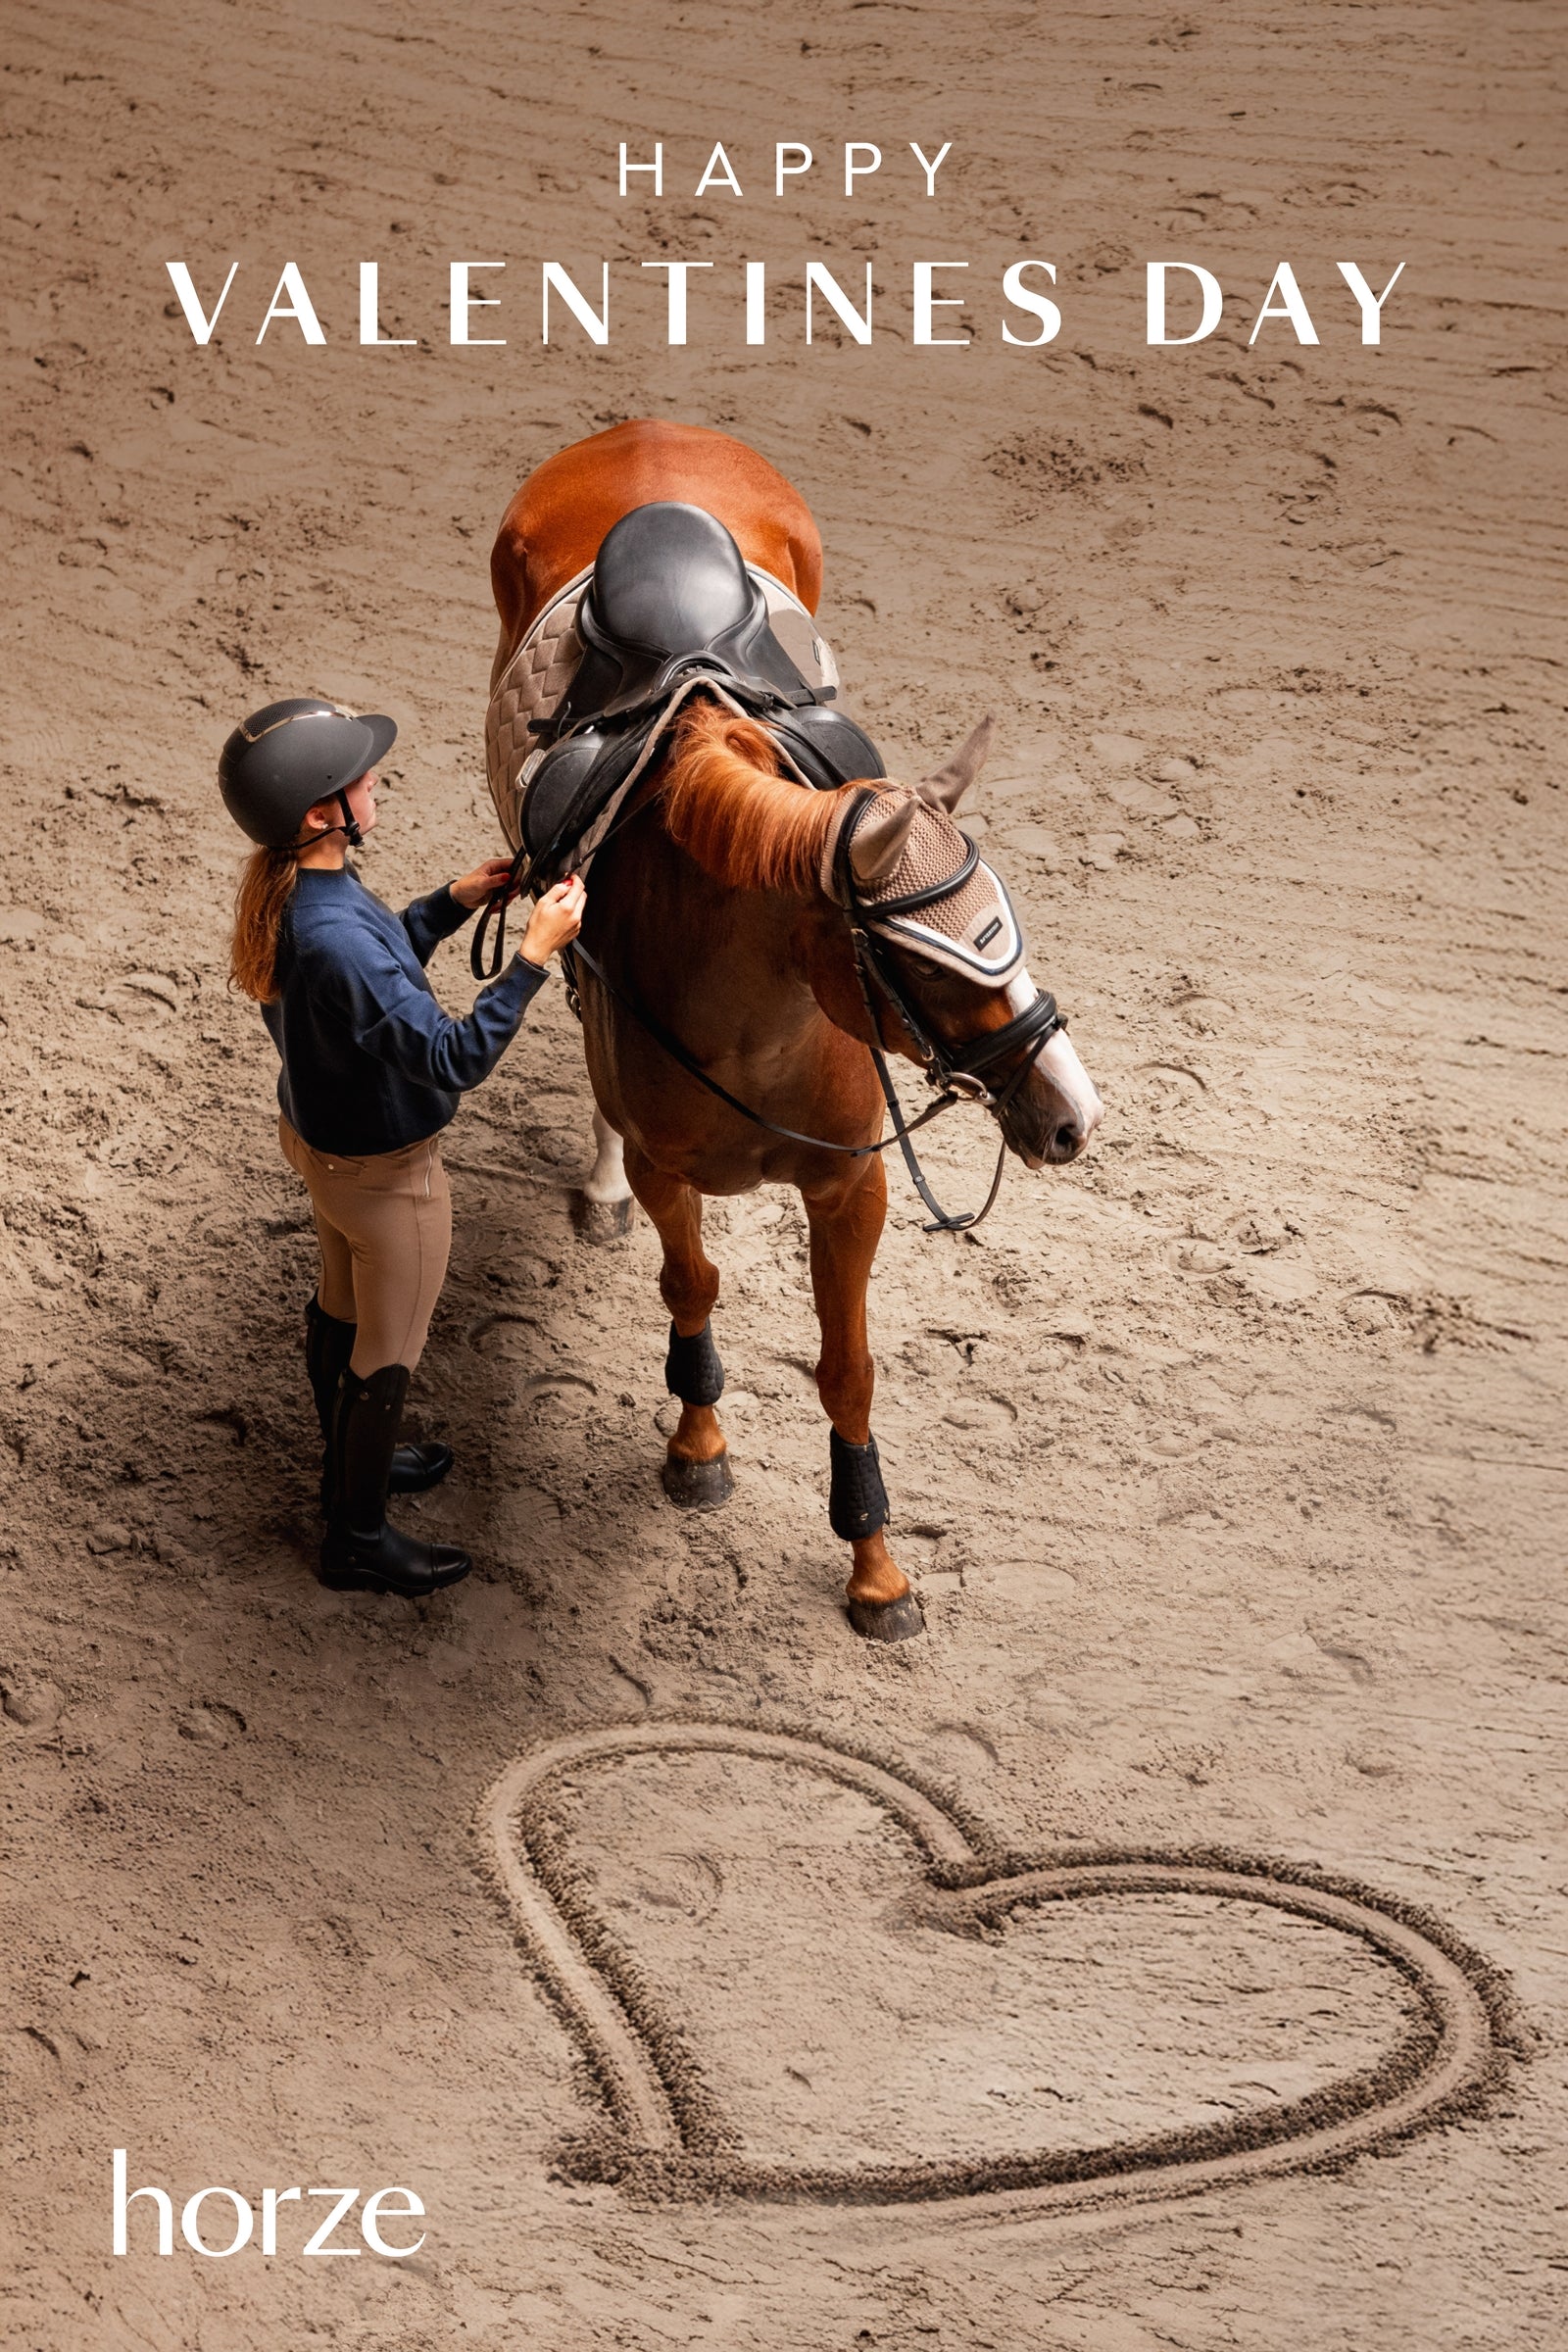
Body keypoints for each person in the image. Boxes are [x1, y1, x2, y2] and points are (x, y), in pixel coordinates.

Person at [220, 696, 584, 1598]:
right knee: (387, 1347)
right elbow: (449, 1056)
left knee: (341, 1309)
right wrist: (532, 958)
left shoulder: (302, 894)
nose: (373, 780)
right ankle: (356, 1534)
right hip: (387, 1181)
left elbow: (375, 968)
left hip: (323, 1148)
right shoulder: (333, 930)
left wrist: (452, 903)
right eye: (358, 776)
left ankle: (355, 1468)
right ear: (320, 813)